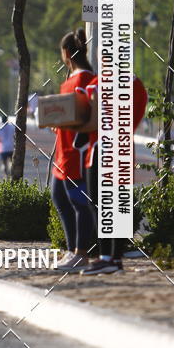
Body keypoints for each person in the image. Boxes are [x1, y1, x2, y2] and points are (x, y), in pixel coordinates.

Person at [80, 74, 148, 274]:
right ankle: (115, 258)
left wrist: (67, 125)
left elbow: (93, 122)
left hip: (102, 149)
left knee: (99, 203)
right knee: (118, 203)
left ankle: (106, 257)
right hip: (123, 147)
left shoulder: (98, 83)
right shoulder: (136, 84)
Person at [50, 29, 96, 272]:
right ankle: (72, 250)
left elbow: (89, 115)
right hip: (63, 150)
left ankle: (81, 253)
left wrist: (67, 123)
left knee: (79, 202)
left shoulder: (85, 81)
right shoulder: (70, 81)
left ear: (66, 53)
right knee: (59, 196)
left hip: (77, 151)